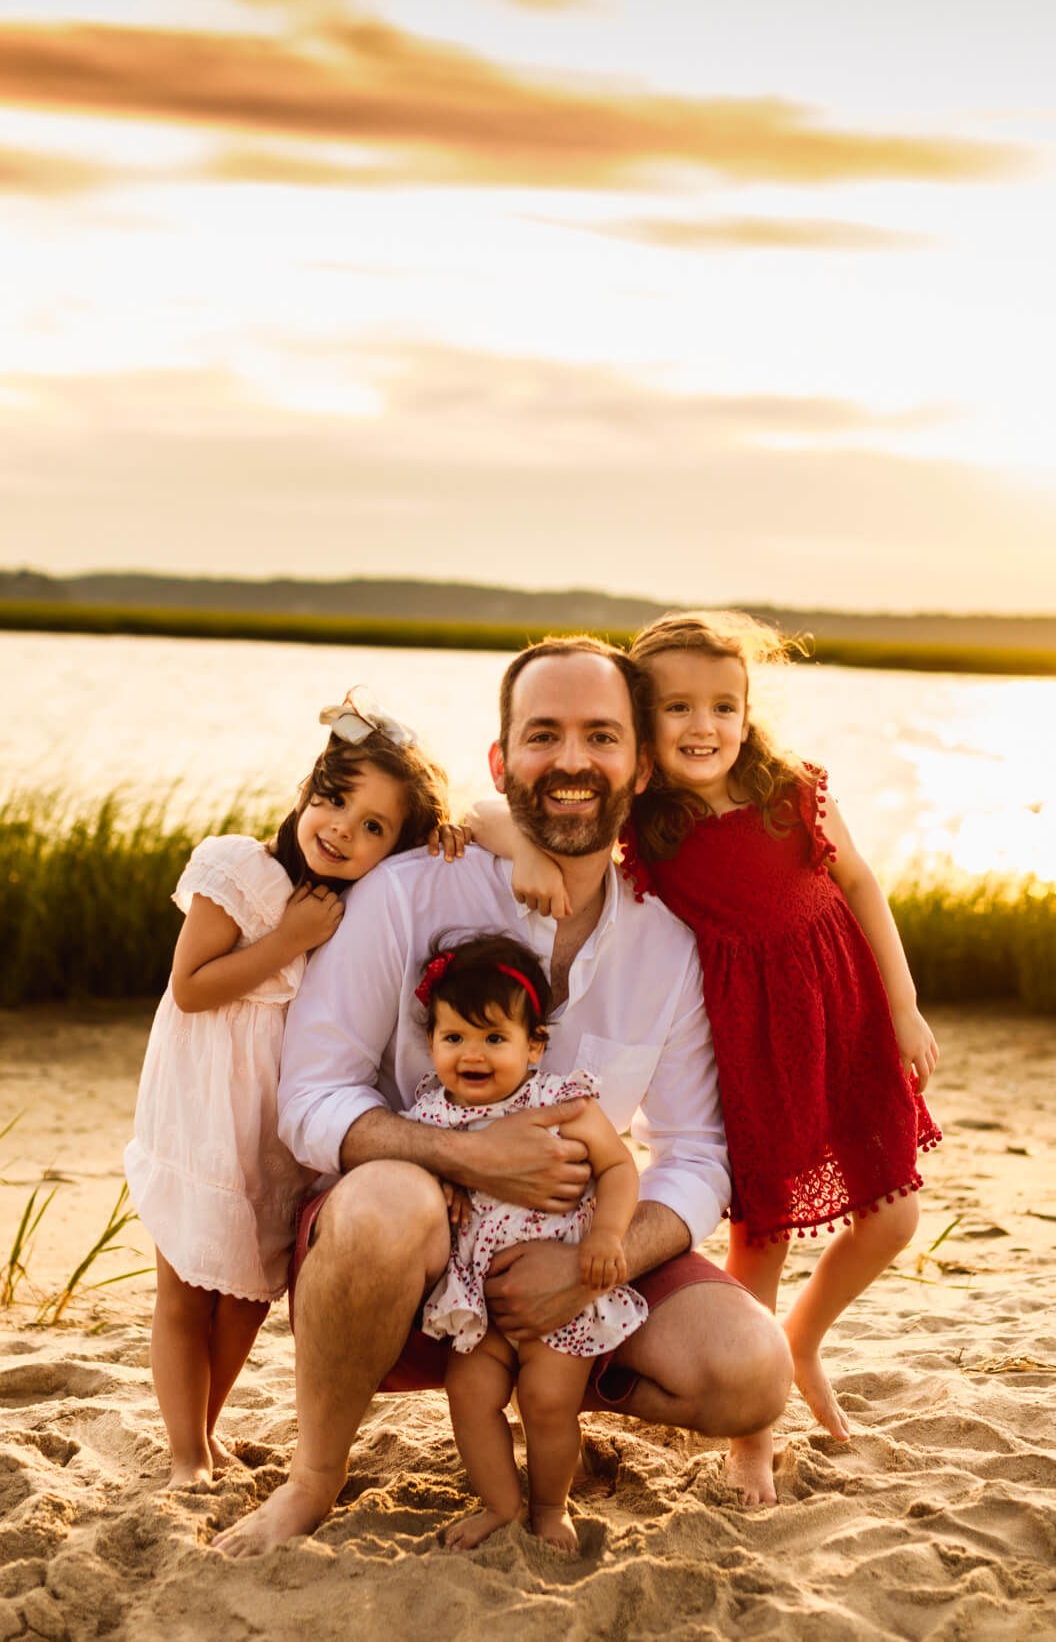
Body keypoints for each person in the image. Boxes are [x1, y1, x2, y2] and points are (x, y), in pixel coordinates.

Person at [213, 637, 793, 1556]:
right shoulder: (409, 891)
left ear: (640, 767)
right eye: (543, 735)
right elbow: (311, 1099)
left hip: (566, 1267)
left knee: (754, 1370)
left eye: (600, 736)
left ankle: (548, 1383)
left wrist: (593, 1267)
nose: (570, 761)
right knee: (385, 1203)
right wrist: (461, 1153)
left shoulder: (669, 944)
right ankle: (313, 1477)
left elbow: (696, 1156)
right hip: (404, 1262)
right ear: (500, 761)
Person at [476, 611, 941, 1506]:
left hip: (841, 1017)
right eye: (679, 707)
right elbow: (490, 807)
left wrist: (904, 1004)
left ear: (746, 712)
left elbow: (860, 885)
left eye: (723, 706)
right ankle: (752, 1435)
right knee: (757, 1233)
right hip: (749, 1040)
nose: (703, 726)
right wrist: (525, 844)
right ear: (644, 727)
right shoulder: (647, 823)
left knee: (894, 1216)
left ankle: (801, 1338)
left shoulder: (792, 791)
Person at [124, 688, 452, 1488]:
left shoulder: (357, 907)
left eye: (374, 826)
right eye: (334, 801)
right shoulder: (240, 868)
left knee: (244, 1295)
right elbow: (194, 987)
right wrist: (289, 939)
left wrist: (454, 836)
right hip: (202, 1115)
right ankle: (183, 1452)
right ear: (306, 792)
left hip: (269, 1130)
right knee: (184, 1287)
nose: (342, 828)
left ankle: (206, 1427)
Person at [408, 932, 649, 1553]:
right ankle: (500, 1504)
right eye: (453, 1037)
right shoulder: (432, 1118)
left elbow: (620, 1168)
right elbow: (414, 1173)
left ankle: (549, 1507)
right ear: (431, 1042)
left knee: (546, 1403)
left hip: (560, 1298)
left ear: (535, 1045)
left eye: (494, 1038)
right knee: (470, 1395)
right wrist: (442, 1180)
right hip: (480, 1303)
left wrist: (607, 1234)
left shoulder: (563, 1103)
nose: (472, 1054)